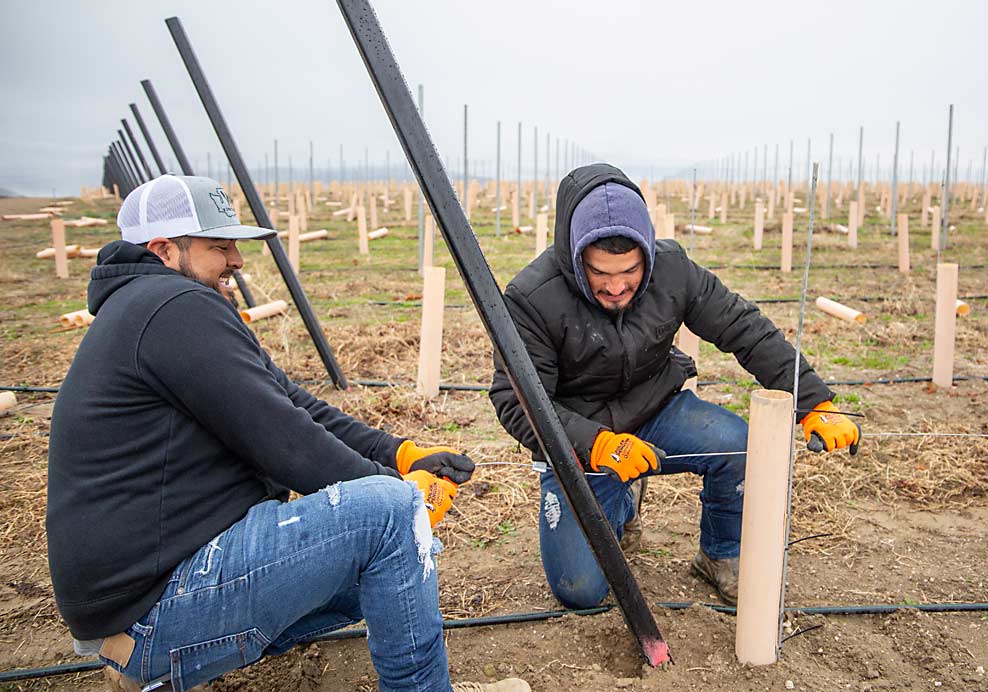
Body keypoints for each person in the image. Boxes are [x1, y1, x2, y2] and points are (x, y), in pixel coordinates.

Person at [46, 174, 529, 692]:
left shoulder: (154, 307)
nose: (235, 260)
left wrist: (400, 455)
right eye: (219, 247)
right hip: (158, 606)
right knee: (394, 521)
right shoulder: (171, 308)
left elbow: (292, 403)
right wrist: (400, 493)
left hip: (148, 600)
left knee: (404, 554)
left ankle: (159, 671)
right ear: (165, 249)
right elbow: (288, 445)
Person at [490, 163, 860, 608]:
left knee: (738, 447)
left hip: (657, 410)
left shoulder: (673, 270)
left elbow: (744, 329)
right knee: (580, 591)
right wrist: (597, 445)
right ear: (574, 257)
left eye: (628, 271)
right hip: (580, 440)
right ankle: (621, 504)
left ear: (645, 251)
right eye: (599, 273)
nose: (616, 287)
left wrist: (813, 401)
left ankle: (720, 555)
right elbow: (516, 401)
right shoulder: (531, 298)